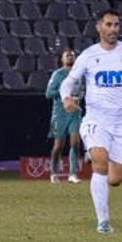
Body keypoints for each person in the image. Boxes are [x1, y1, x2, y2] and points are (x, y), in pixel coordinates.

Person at [60, 9, 122, 234]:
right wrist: (66, 98)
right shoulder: (88, 56)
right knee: (100, 163)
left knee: (115, 179)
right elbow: (69, 82)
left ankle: (98, 158)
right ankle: (103, 222)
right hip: (96, 119)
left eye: (116, 25)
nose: (113, 29)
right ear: (99, 27)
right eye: (109, 25)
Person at [44, 48, 84, 184]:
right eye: (67, 56)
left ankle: (72, 174)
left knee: (75, 142)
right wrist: (64, 93)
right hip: (59, 112)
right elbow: (48, 93)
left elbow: (82, 91)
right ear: (62, 59)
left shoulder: (78, 75)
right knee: (58, 145)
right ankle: (54, 172)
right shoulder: (58, 74)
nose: (70, 58)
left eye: (72, 56)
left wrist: (77, 97)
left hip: (74, 111)